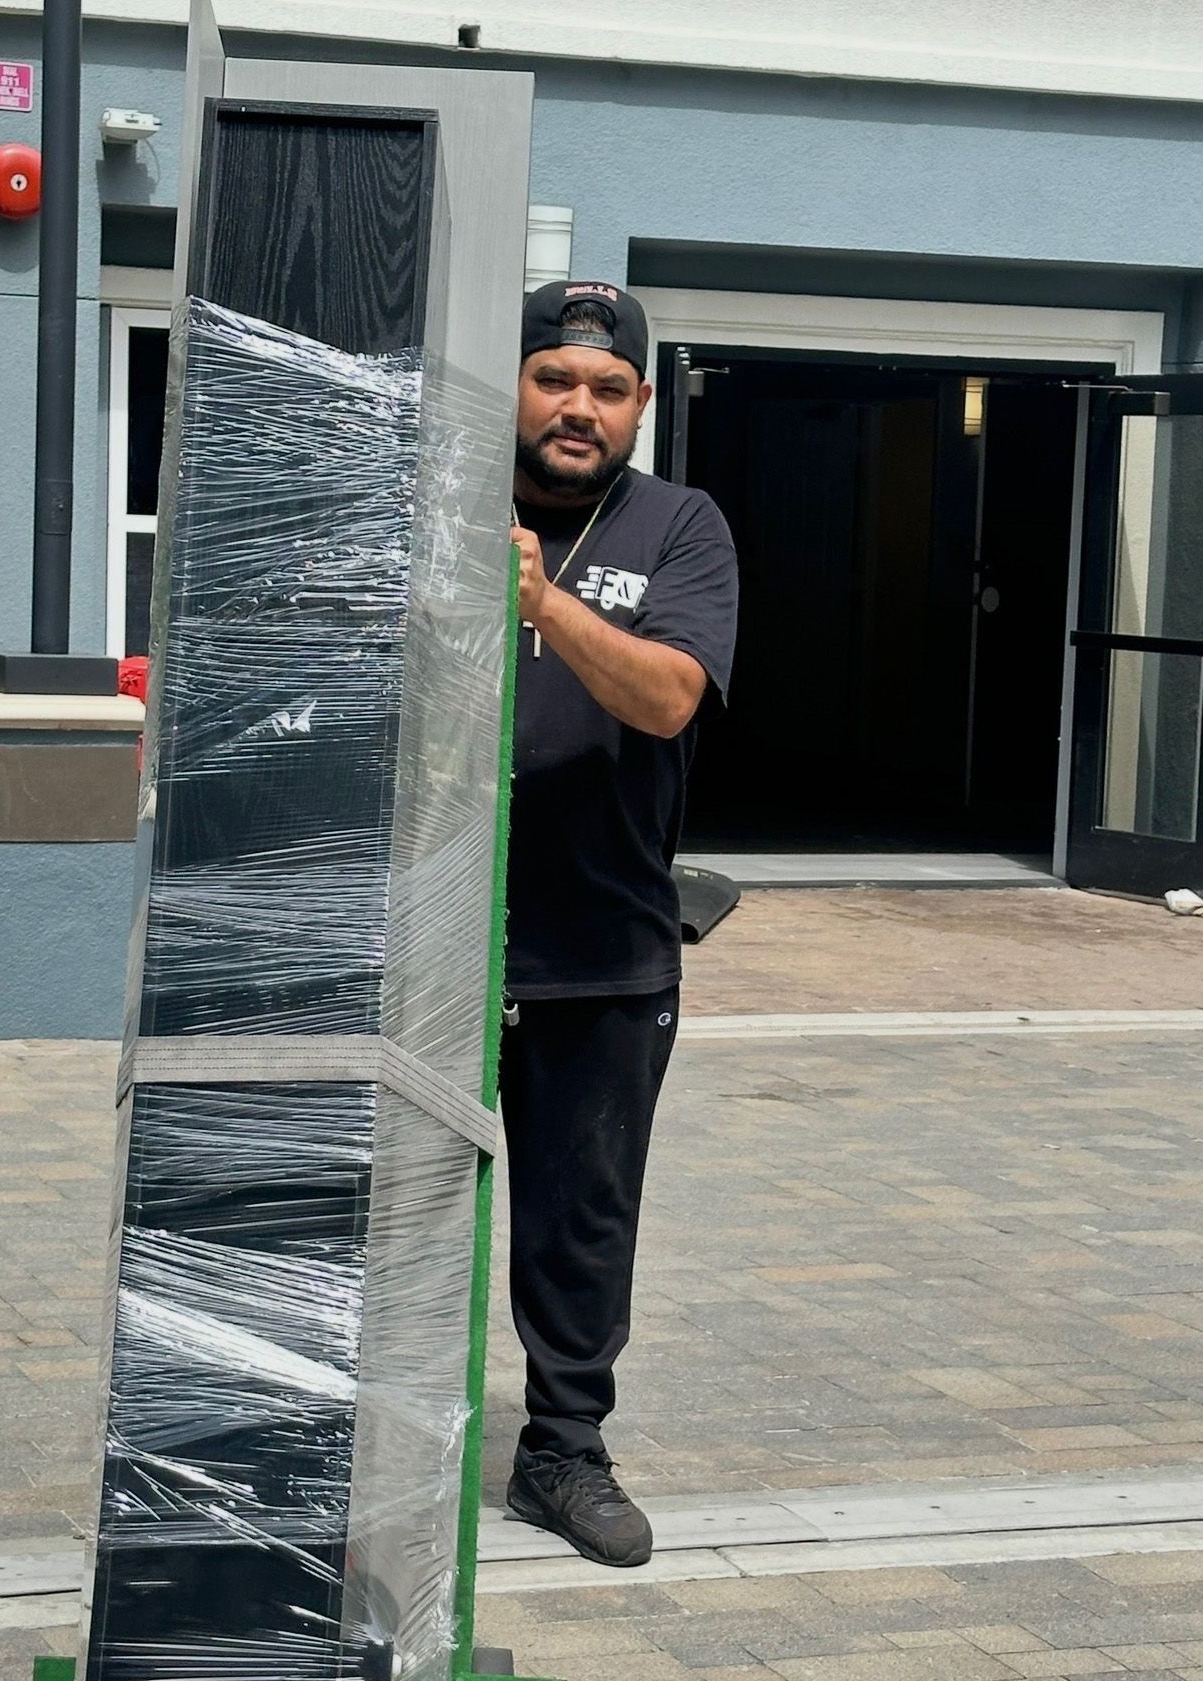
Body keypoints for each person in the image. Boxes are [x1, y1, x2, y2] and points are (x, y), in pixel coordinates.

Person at [501, 280, 739, 1567]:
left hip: (602, 943)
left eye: (605, 387)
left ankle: (564, 1452)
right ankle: (373, 1438)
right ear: (518, 385)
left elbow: (667, 697)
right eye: (553, 378)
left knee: (582, 1223)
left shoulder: (681, 525)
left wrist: (543, 606)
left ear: (640, 404)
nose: (576, 407)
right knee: (396, 1208)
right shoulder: (446, 500)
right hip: (429, 945)